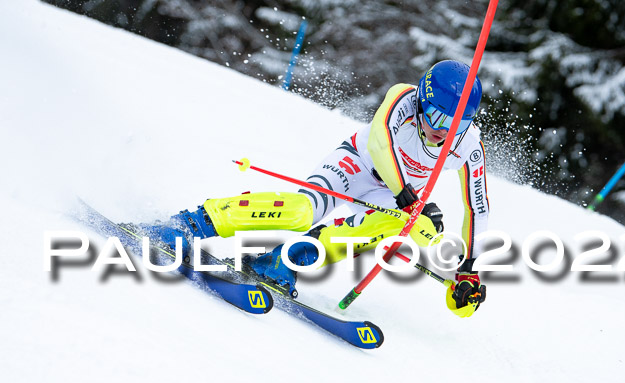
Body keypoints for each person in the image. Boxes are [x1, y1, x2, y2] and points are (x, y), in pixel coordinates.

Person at [137, 59, 489, 315]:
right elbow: (381, 145)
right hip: (358, 164)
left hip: (394, 197)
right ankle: (191, 224)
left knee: (408, 226)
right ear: (424, 99)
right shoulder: (403, 98)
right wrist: (409, 199)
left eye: (456, 125)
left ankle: (282, 262)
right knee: (304, 211)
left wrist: (467, 269)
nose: (444, 132)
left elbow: (477, 208)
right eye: (439, 118)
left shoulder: (469, 145)